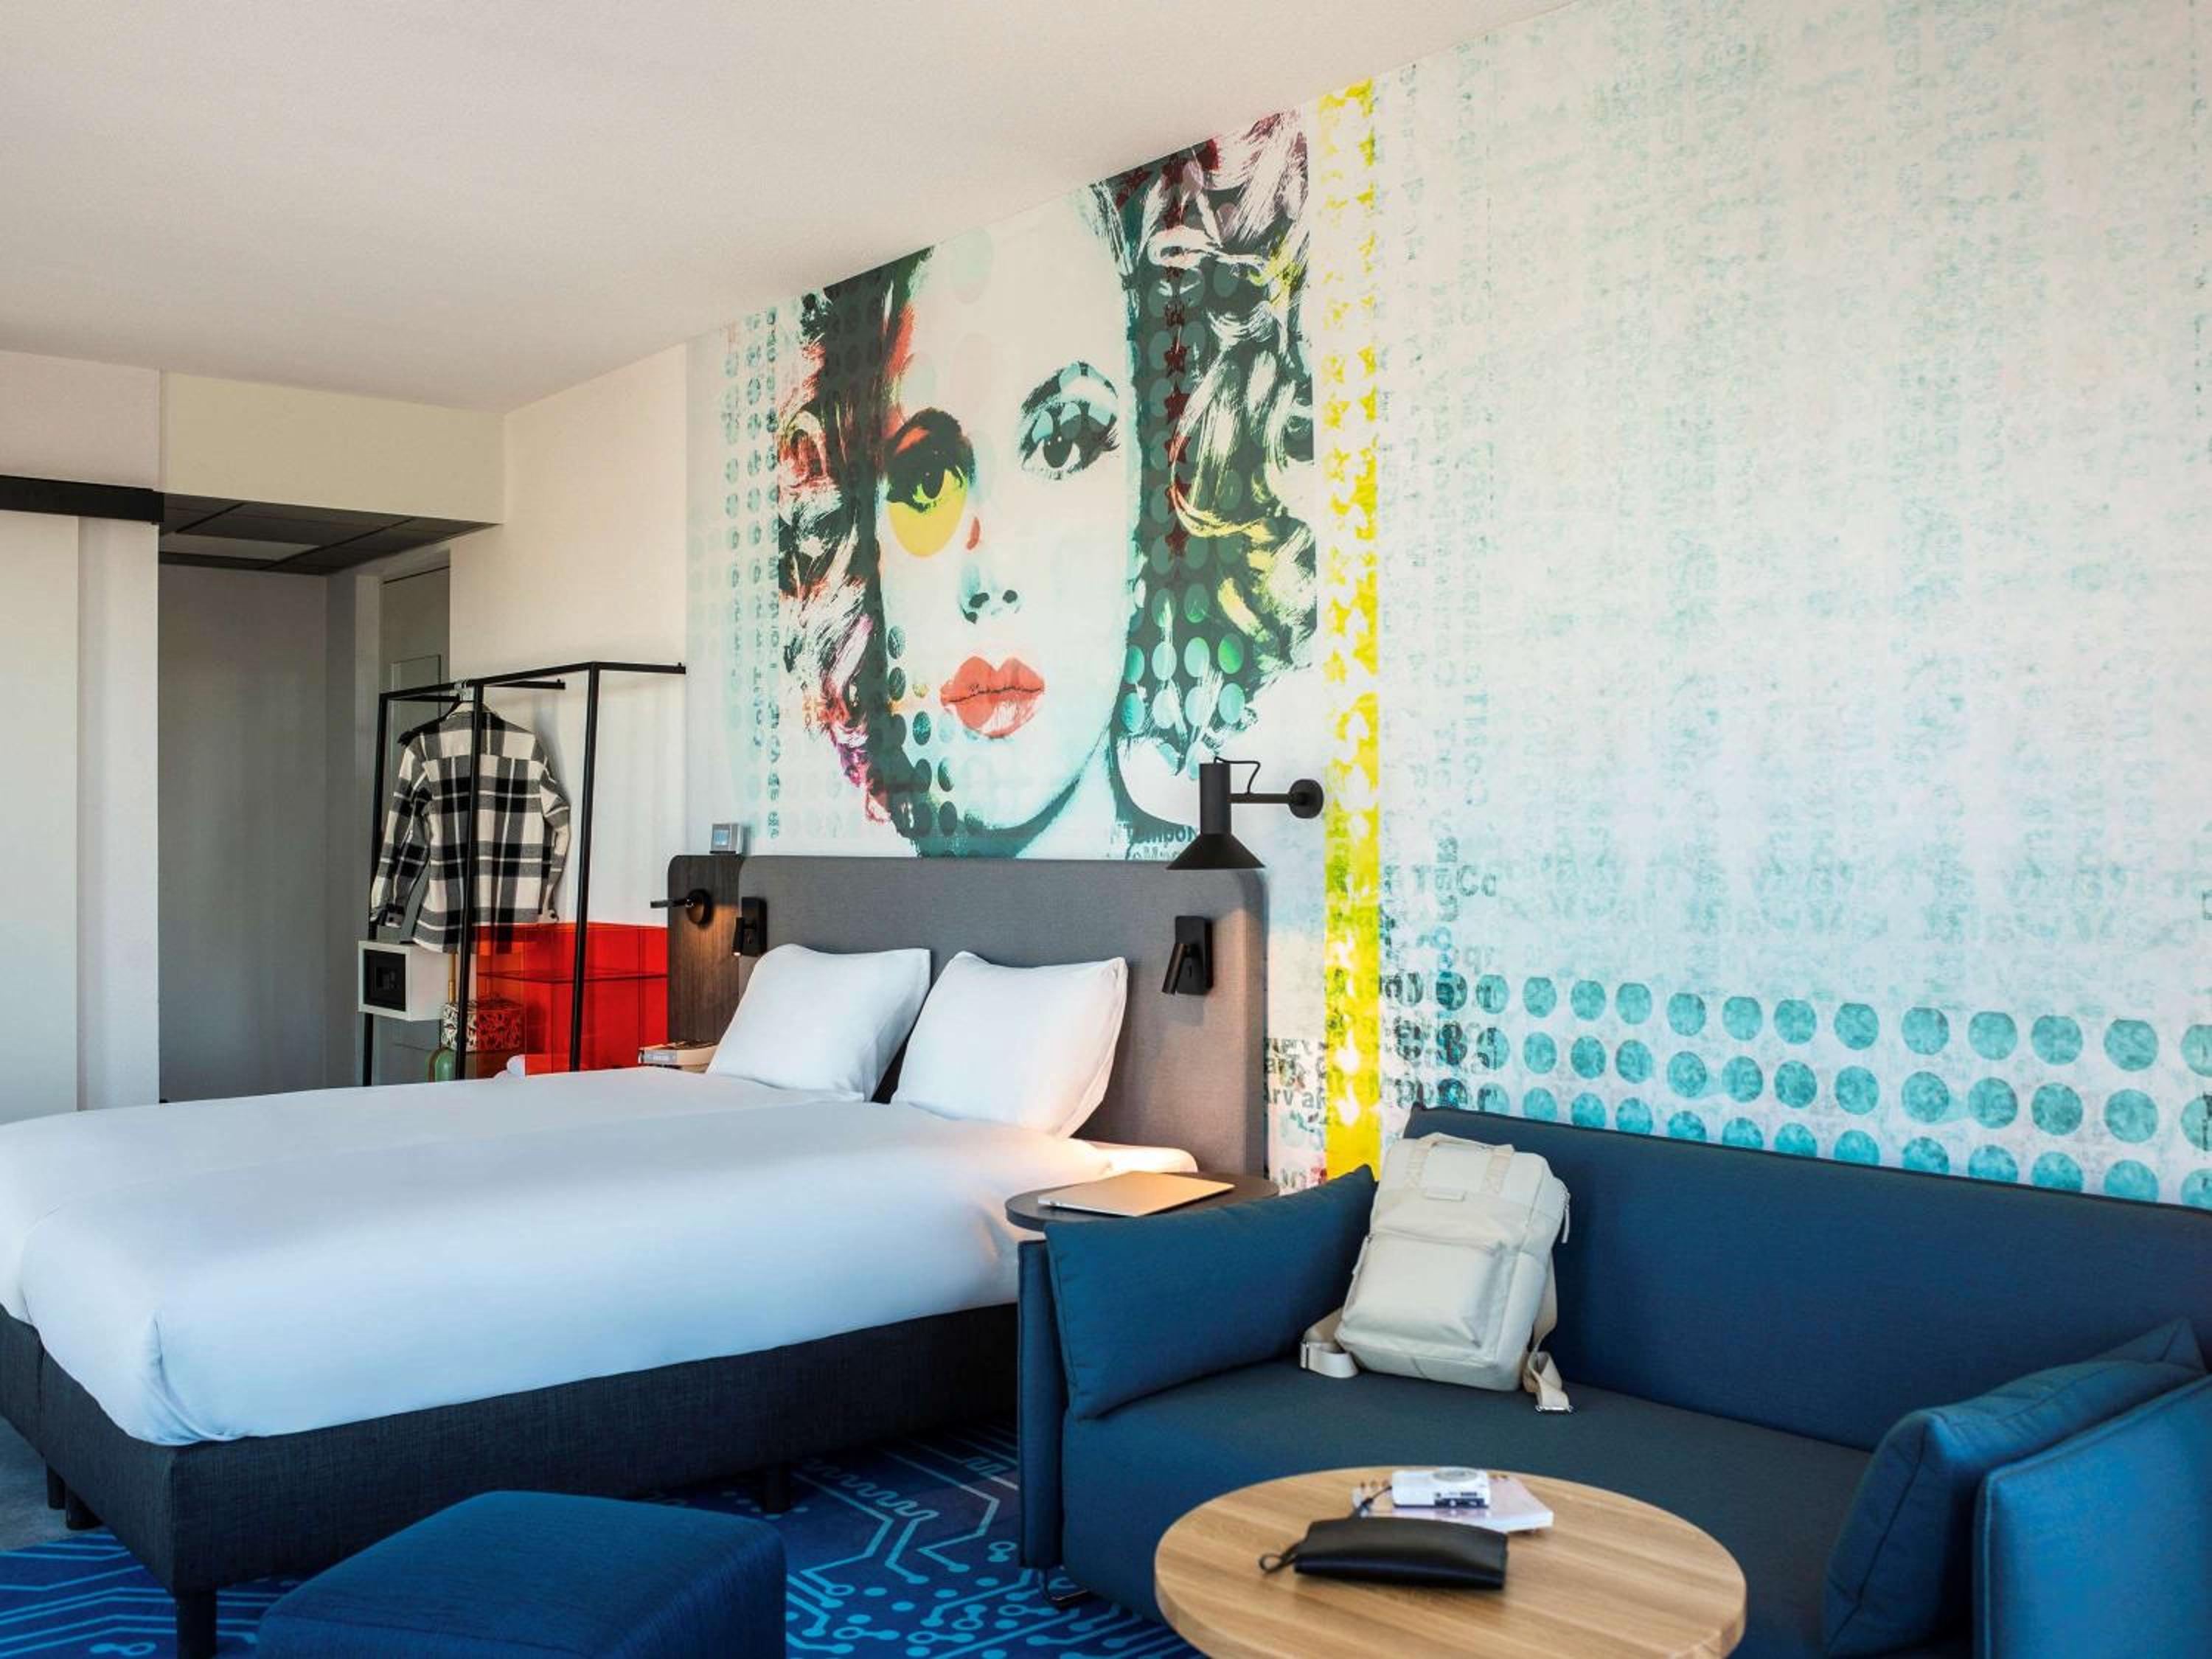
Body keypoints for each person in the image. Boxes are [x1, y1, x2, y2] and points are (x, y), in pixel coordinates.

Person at [776, 114, 1316, 855]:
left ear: (1153, 502)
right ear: (868, 547)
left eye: (1064, 444)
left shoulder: (1206, 884)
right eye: (926, 477)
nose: (990, 577)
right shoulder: (838, 886)